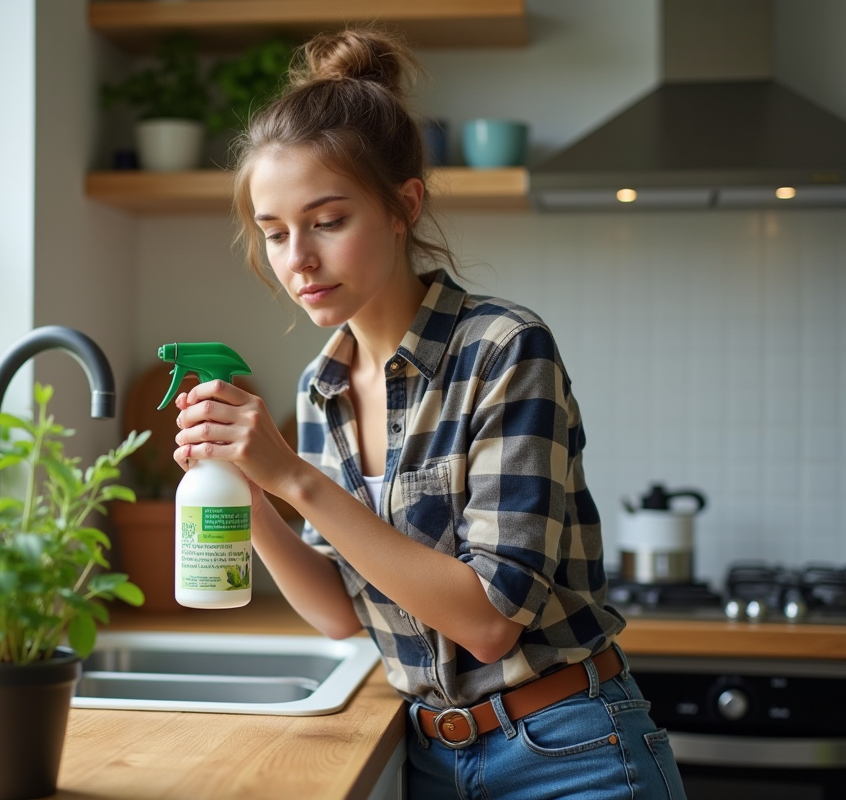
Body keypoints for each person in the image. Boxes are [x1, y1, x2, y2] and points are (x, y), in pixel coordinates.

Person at [170, 27, 687, 800]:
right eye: (275, 235)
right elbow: (342, 613)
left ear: (404, 204)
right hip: (435, 761)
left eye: (328, 221)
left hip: (570, 753)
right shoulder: (324, 384)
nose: (297, 260)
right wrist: (249, 491)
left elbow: (488, 623)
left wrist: (295, 478)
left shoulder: (504, 350)